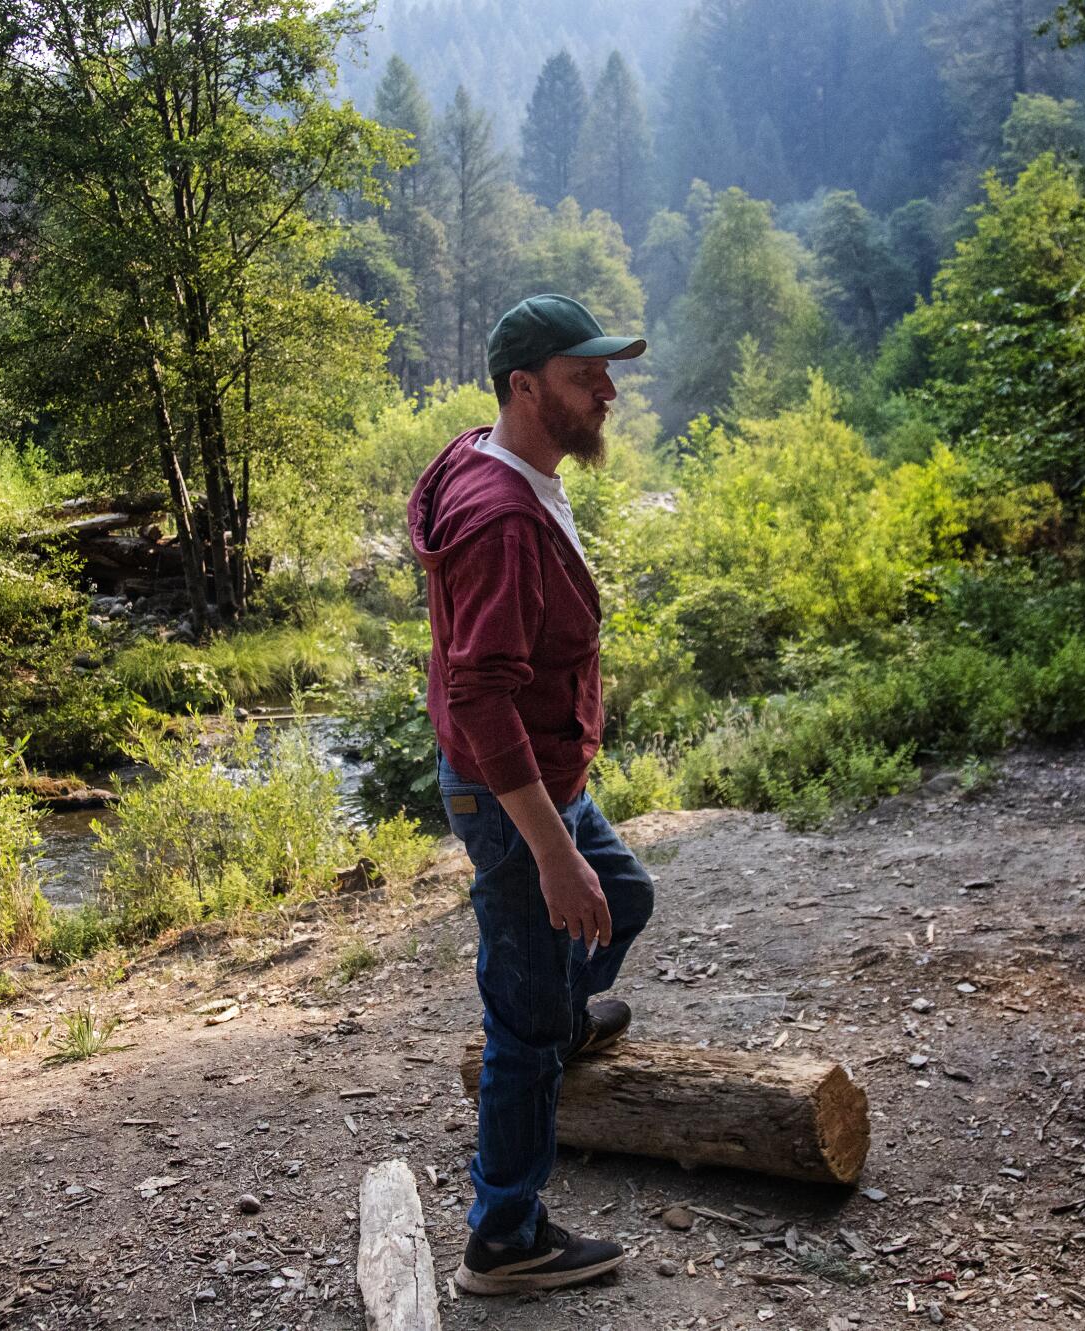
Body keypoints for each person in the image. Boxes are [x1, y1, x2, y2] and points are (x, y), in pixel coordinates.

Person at [406, 294, 657, 1295]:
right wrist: (550, 850)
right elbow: (480, 692)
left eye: (605, 370)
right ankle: (503, 1237)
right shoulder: (501, 518)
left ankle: (559, 1012)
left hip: (532, 782)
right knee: (520, 1025)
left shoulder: (492, 458)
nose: (606, 388)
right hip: (512, 799)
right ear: (524, 386)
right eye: (583, 373)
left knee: (623, 898)